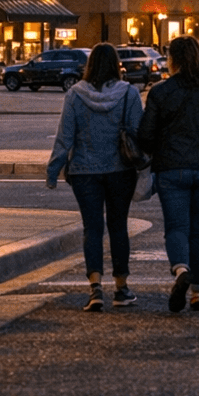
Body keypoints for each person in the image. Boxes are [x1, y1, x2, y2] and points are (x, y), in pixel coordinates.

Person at [138, 36, 199, 313]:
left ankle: (181, 269)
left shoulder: (160, 92)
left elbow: (145, 135)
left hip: (171, 169)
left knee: (177, 227)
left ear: (173, 60)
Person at [45, 43, 143, 312]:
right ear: (116, 64)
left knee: (92, 228)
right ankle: (121, 288)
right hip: (120, 170)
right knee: (118, 226)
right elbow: (138, 133)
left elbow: (65, 136)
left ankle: (95, 288)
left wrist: (53, 170)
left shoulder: (75, 95)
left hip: (84, 171)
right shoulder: (129, 94)